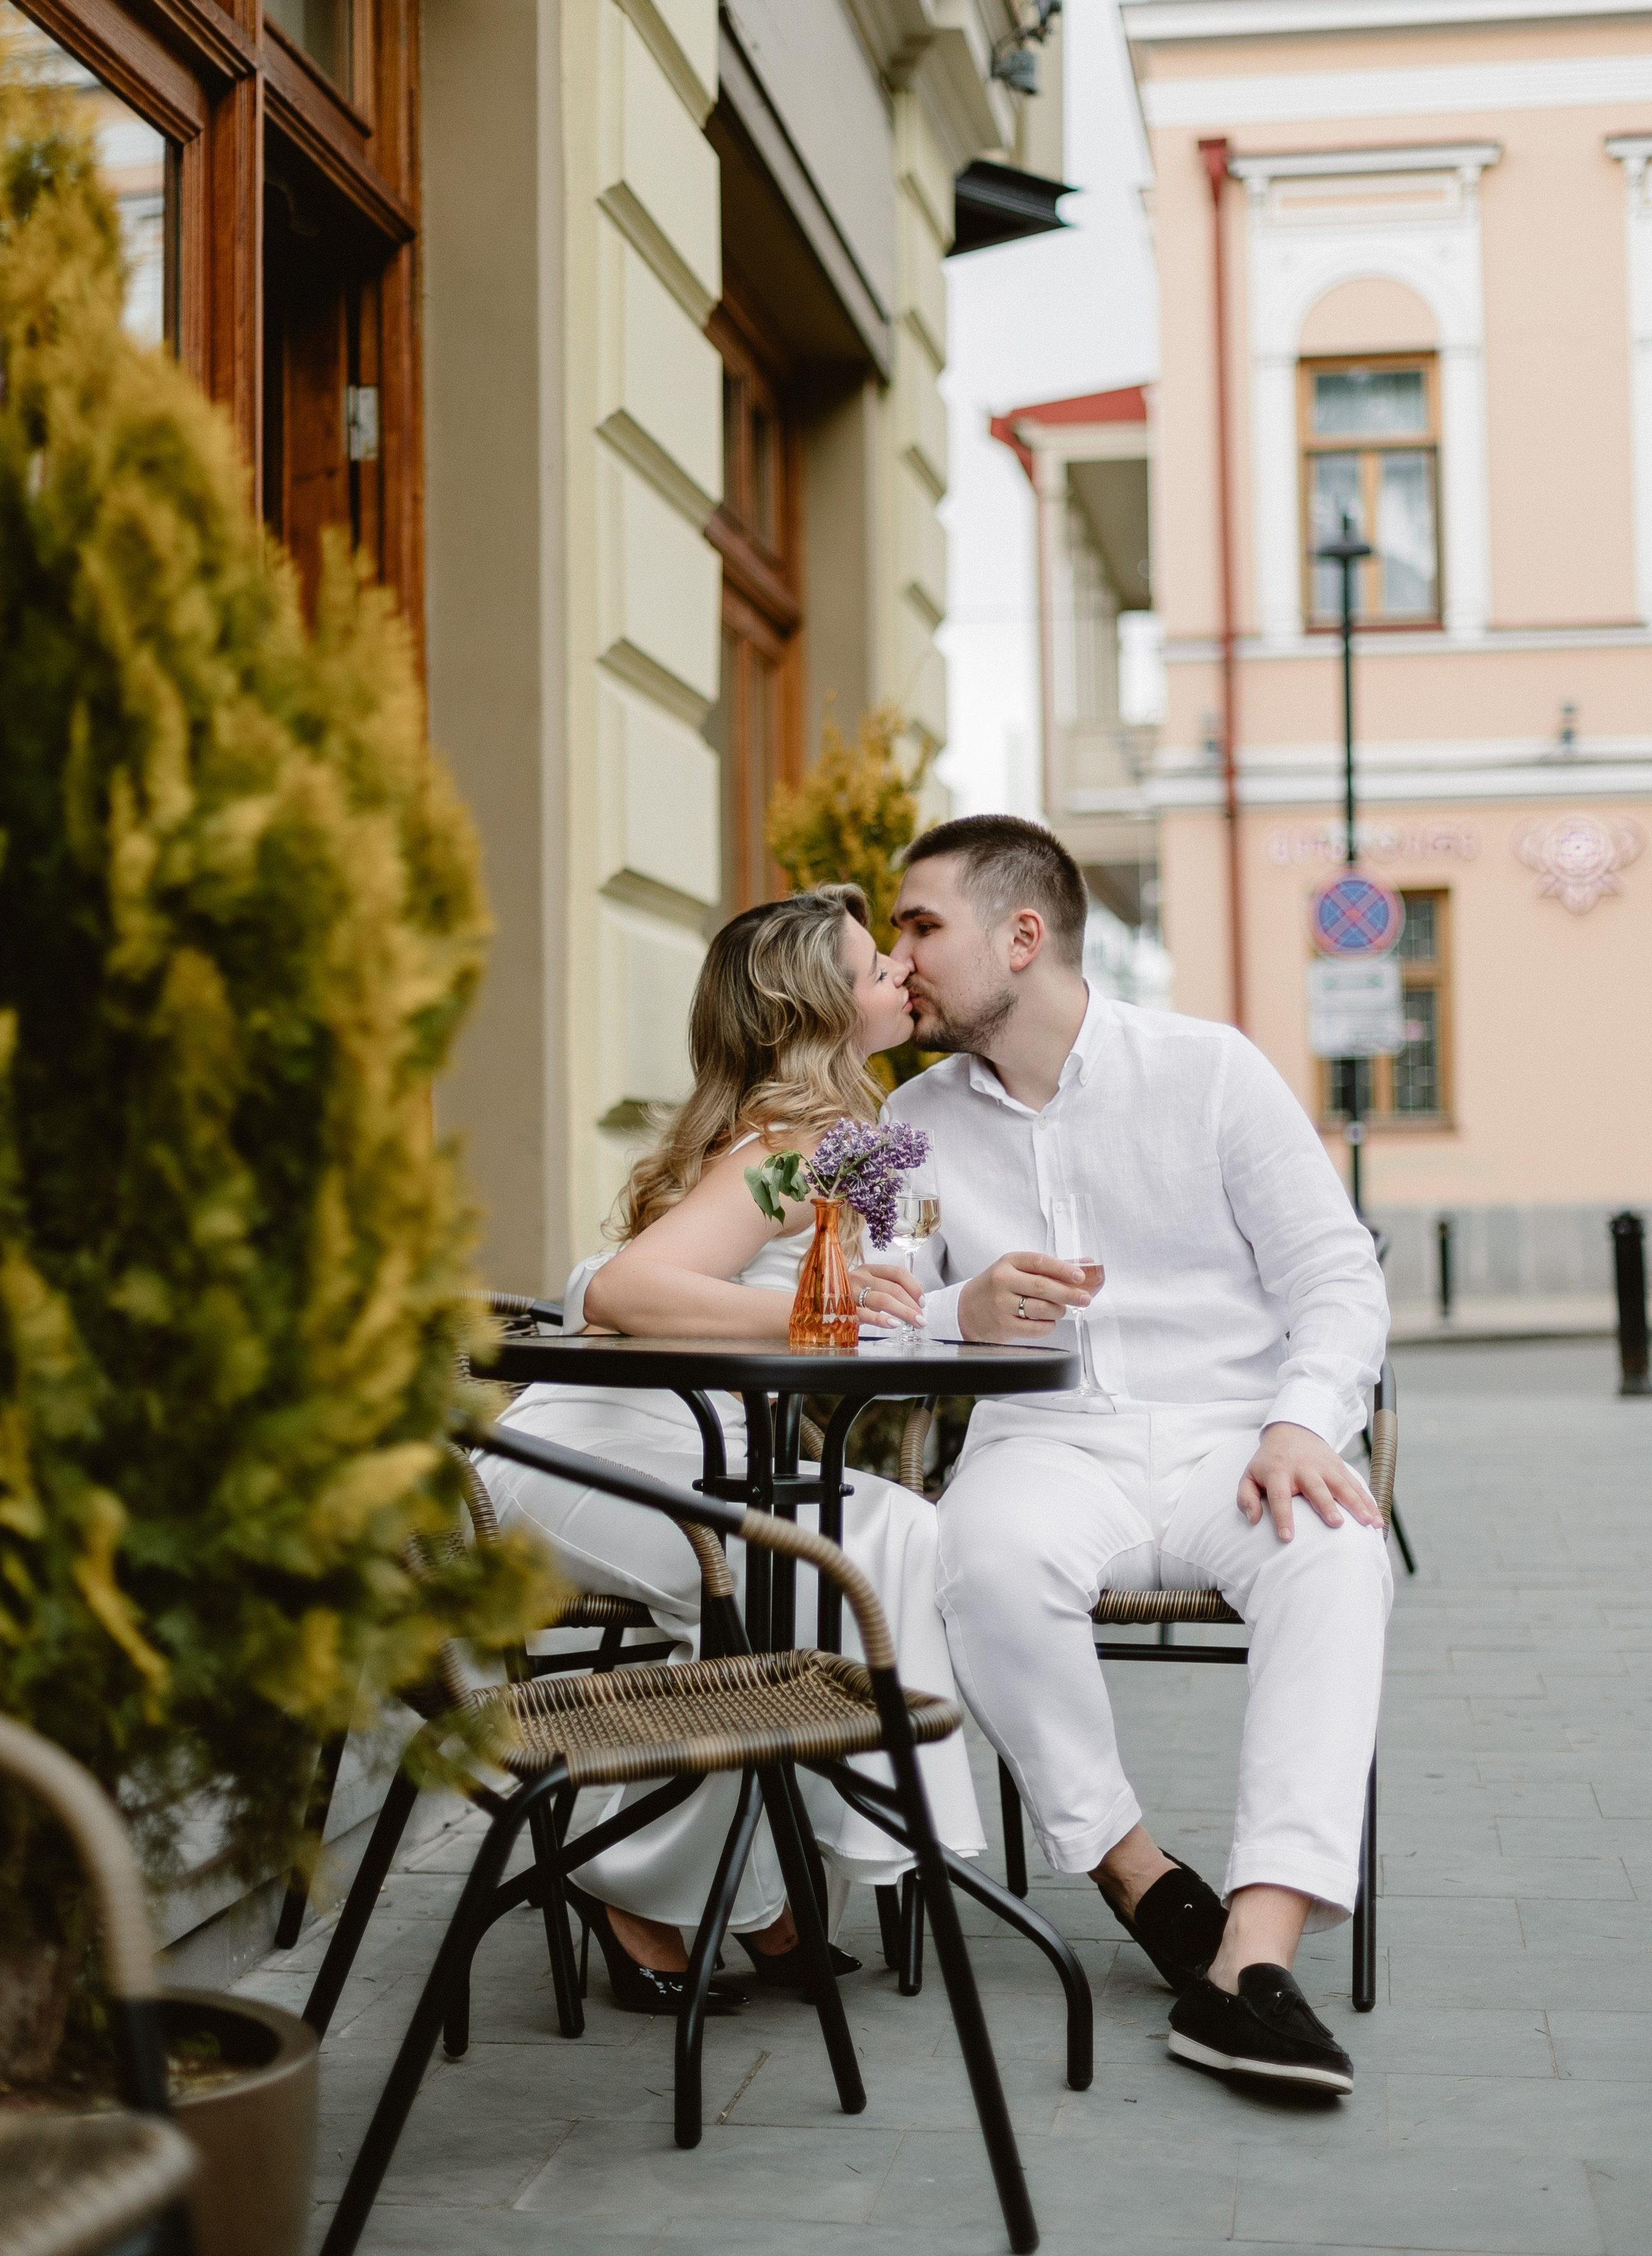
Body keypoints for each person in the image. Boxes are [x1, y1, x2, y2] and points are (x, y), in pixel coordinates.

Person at [882, 813, 1390, 2095]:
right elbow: (867, 1305)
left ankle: (1250, 1962)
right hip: (1043, 1440)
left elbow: (1335, 1274)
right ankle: (1142, 1879)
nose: (901, 961)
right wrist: (960, 1312)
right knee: (976, 1554)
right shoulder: (914, 1120)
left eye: (921, 926)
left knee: (1337, 1550)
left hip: (1235, 1435)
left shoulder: (1207, 1071)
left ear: (1021, 935)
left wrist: (1299, 1420)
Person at [478, 884, 983, 2015]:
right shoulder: (791, 1152)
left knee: (883, 1529)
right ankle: (643, 1888)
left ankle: (756, 1892)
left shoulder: (831, 1146)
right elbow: (624, 1290)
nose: (899, 974)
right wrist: (830, 1311)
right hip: (578, 1461)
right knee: (773, 1591)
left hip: (689, 1455)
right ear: (816, 1009)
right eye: (871, 968)